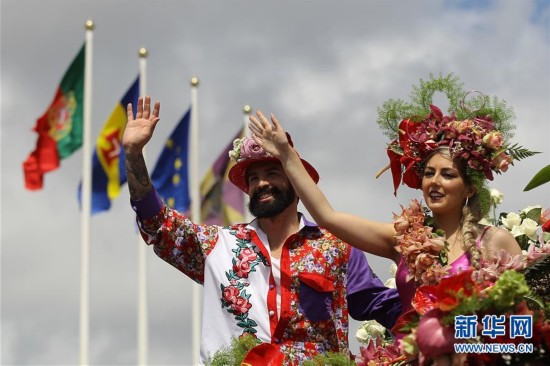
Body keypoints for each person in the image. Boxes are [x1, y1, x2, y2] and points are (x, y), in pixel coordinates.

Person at [122, 96, 402, 365]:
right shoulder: (218, 245)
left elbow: (381, 305)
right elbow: (156, 224)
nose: (261, 183)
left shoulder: (338, 247)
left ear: (296, 181)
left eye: (272, 173)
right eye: (253, 178)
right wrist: (134, 154)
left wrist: (440, 301)